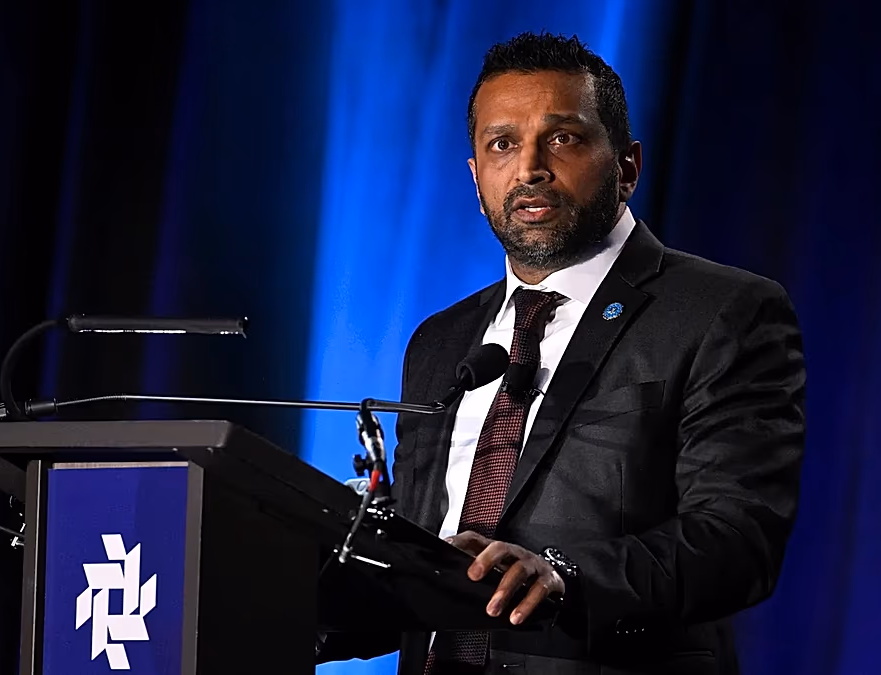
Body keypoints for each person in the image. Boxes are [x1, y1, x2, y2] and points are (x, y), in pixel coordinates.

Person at [320, 31, 805, 675]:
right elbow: (420, 565)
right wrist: (299, 605)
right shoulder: (440, 342)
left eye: (563, 138)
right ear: (475, 177)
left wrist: (564, 576)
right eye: (501, 144)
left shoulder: (721, 311)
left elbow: (738, 540)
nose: (529, 169)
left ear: (627, 166)